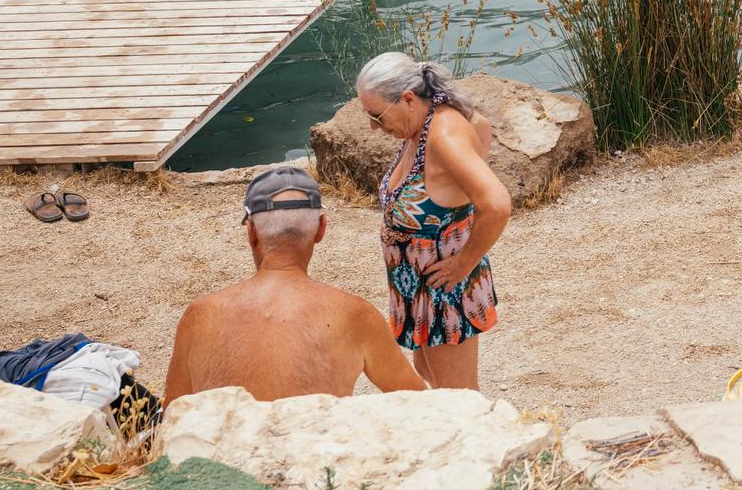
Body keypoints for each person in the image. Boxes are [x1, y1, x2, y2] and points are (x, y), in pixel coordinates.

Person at [162, 166, 426, 403]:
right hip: (312, 457)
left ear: (251, 233)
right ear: (321, 229)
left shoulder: (199, 315)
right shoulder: (354, 315)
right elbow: (417, 400)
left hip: (224, 457)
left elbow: (174, 413)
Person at [358, 52, 511, 390]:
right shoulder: (423, 126)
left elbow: (497, 204)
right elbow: (482, 128)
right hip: (419, 288)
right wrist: (459, 193)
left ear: (408, 99)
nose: (374, 127)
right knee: (429, 374)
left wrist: (462, 264)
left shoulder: (444, 138)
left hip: (443, 291)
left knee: (458, 399)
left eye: (377, 115)